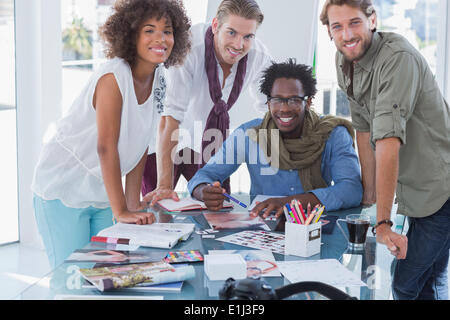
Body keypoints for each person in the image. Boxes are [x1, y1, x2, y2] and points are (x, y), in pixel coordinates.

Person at [31, 0, 191, 268]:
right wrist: (121, 211)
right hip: (63, 190)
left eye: (167, 30)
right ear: (131, 34)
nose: (160, 38)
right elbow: (106, 147)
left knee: (105, 275)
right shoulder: (113, 77)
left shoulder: (160, 77)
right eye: (149, 30)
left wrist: (131, 203)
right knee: (71, 280)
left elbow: (142, 142)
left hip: (102, 193)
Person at [320, 0, 450, 300]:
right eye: (337, 26)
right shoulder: (345, 63)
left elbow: (388, 142)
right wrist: (370, 197)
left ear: (372, 20)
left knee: (407, 283)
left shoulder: (397, 58)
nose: (346, 34)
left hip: (440, 189)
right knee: (429, 279)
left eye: (354, 22)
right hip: (417, 190)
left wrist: (383, 222)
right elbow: (364, 131)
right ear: (329, 31)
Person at [188, 59, 363, 217]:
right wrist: (204, 191)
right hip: (263, 228)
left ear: (308, 102)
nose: (284, 109)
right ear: (268, 102)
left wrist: (291, 203)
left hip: (315, 228)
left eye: (294, 100)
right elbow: (204, 175)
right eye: (277, 100)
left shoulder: (332, 134)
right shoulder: (249, 134)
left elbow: (352, 189)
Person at [142, 0, 272, 205]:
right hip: (162, 140)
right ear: (215, 26)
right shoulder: (189, 47)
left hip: (207, 141)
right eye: (231, 32)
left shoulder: (260, 57)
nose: (239, 45)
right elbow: (171, 116)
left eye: (248, 36)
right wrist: (164, 186)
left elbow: (271, 111)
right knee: (159, 209)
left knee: (216, 207)